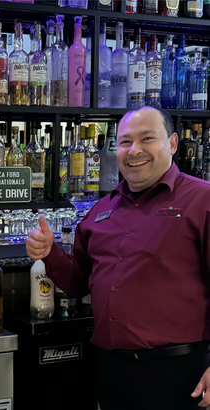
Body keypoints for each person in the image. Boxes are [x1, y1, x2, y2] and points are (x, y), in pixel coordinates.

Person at [26, 106, 210, 410]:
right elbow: (78, 281)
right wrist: (50, 253)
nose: (134, 150)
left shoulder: (201, 200)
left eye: (147, 138)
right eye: (125, 142)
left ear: (173, 143)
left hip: (182, 373)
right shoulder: (102, 210)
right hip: (113, 371)